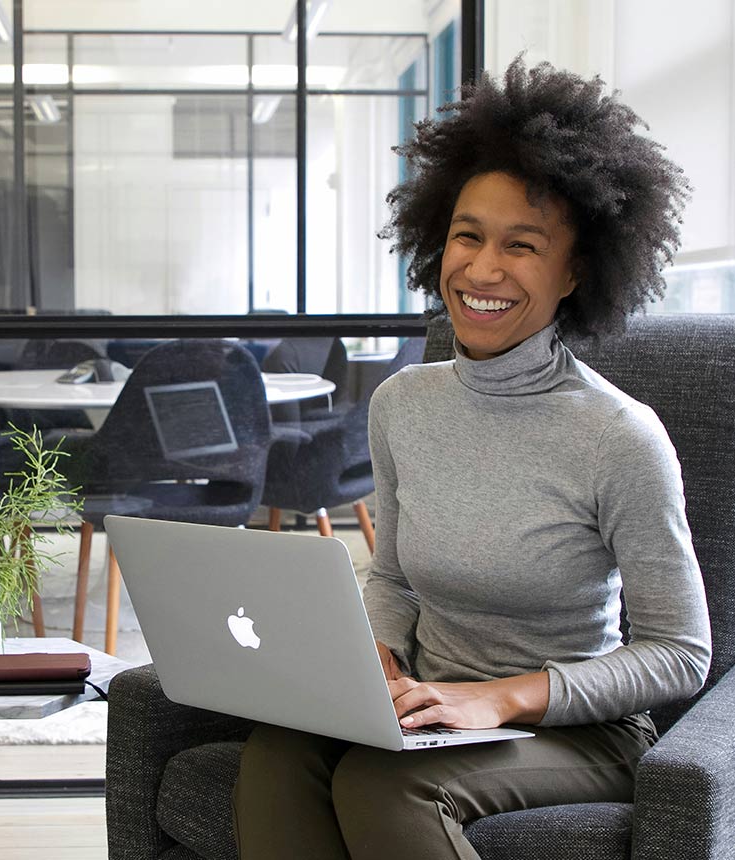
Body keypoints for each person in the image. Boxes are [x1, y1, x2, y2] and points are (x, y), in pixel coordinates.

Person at [232, 56, 712, 860]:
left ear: (577, 271)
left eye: (522, 246)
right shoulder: (403, 403)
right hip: (429, 704)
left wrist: (499, 700)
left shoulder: (619, 435)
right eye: (466, 236)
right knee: (279, 754)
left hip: (577, 729)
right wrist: (379, 661)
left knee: (383, 782)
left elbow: (680, 652)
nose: (483, 270)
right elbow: (391, 578)